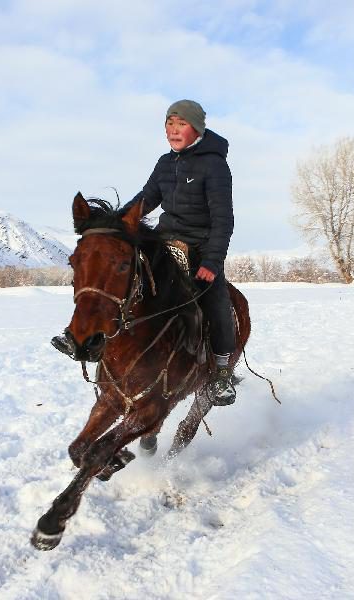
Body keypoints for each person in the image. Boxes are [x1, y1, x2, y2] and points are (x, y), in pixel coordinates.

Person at [123, 99, 237, 405]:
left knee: (215, 299)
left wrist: (213, 261)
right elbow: (146, 199)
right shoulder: (164, 163)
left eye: (181, 124)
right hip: (165, 240)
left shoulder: (214, 165)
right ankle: (96, 341)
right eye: (169, 123)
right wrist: (117, 223)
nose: (173, 130)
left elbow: (223, 220)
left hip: (201, 246)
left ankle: (223, 371)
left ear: (196, 128)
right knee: (124, 278)